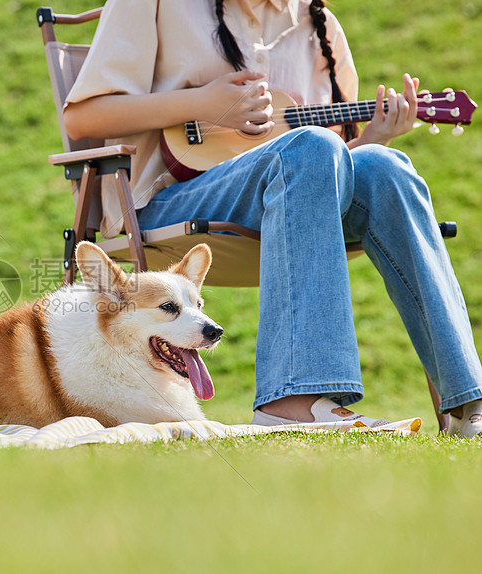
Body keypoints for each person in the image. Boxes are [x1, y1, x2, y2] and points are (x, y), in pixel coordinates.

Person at [62, 0, 482, 436]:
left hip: (291, 213)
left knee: (385, 166)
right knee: (311, 145)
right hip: (170, 202)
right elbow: (83, 116)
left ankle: (468, 402)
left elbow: (319, 174)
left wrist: (374, 138)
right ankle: (294, 399)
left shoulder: (320, 26)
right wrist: (200, 103)